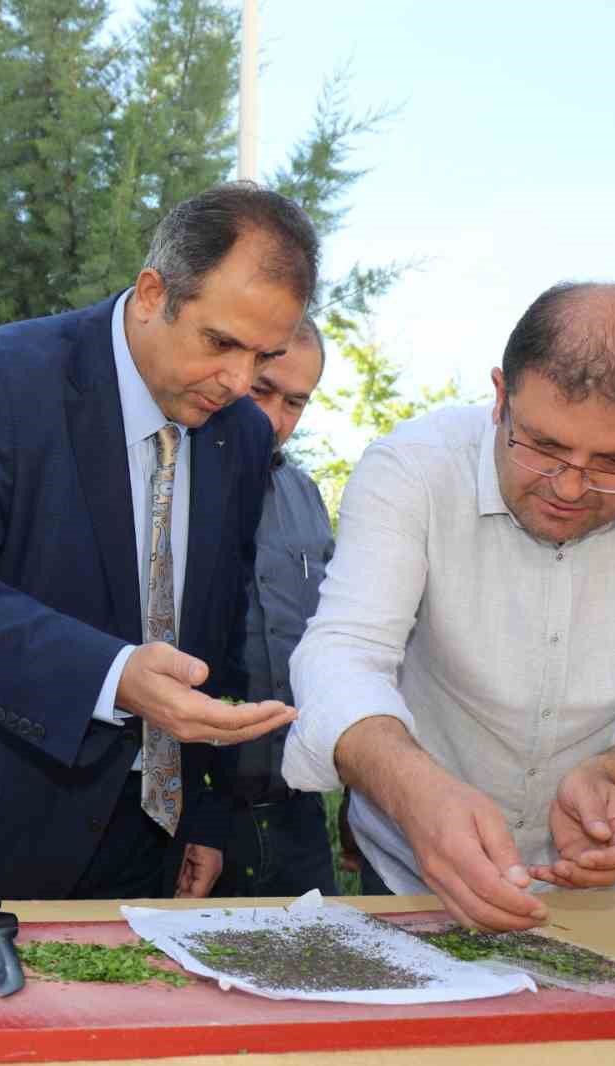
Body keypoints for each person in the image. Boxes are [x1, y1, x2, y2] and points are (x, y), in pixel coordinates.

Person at [0, 183, 317, 901]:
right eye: (220, 342)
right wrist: (111, 675)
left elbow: (215, 632)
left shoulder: (243, 435)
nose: (236, 381)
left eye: (263, 356)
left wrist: (207, 812)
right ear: (151, 293)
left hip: (141, 848)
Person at [283, 282, 615, 931]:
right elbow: (341, 658)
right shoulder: (413, 467)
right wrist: (417, 793)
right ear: (500, 396)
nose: (570, 487)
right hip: (412, 865)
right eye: (542, 445)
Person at [210, 318, 337, 898]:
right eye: (262, 391)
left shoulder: (305, 495)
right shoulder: (170, 486)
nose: (274, 419)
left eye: (295, 402)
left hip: (296, 815)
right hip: (194, 822)